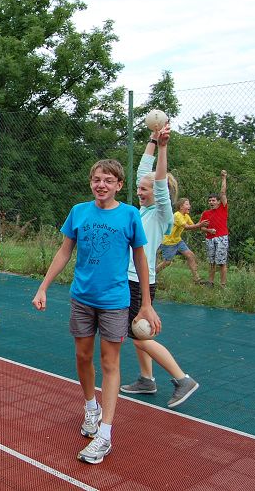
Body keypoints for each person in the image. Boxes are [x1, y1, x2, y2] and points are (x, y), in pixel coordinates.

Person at [32, 159, 160, 465]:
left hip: (115, 301)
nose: (101, 185)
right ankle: (91, 408)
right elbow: (65, 251)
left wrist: (146, 303)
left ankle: (105, 434)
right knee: (82, 357)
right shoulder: (79, 211)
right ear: (91, 183)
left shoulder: (130, 215)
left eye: (108, 180)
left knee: (110, 363)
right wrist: (43, 287)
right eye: (96, 180)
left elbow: (141, 259)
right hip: (81, 298)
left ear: (119, 185)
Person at [120, 125, 200, 408]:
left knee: (141, 336)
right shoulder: (144, 210)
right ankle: (146, 379)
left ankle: (182, 379)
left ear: (159, 192)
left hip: (138, 280)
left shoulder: (162, 214)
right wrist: (152, 140)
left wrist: (163, 148)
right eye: (139, 187)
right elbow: (145, 170)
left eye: (144, 189)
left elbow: (160, 184)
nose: (139, 191)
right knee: (137, 331)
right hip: (130, 278)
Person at [156, 198, 208, 282]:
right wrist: (200, 225)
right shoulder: (177, 215)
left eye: (189, 204)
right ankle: (152, 274)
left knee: (190, 255)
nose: (189, 206)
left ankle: (196, 279)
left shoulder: (186, 216)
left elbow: (193, 226)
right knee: (167, 262)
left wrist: (201, 220)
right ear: (181, 207)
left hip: (178, 241)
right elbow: (187, 227)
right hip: (168, 242)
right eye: (187, 204)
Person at [198, 170, 229, 288]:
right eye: (210, 200)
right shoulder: (206, 213)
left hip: (221, 237)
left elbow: (222, 193)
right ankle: (210, 283)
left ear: (218, 202)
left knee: (221, 262)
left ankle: (223, 284)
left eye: (213, 200)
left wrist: (223, 178)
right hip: (210, 238)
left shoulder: (223, 208)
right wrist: (208, 231)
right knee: (211, 262)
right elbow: (201, 228)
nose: (211, 202)